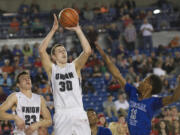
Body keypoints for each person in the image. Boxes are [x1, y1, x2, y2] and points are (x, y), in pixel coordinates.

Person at [95, 42, 180, 135]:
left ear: (150, 87)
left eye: (145, 81)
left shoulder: (154, 102)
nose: (142, 82)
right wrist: (104, 55)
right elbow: (117, 75)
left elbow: (174, 98)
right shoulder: (133, 91)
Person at [39, 14, 91, 135]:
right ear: (53, 56)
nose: (63, 52)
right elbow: (41, 50)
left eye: (64, 50)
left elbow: (87, 51)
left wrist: (78, 30)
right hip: (61, 113)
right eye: (59, 51)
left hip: (78, 111)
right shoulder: (52, 70)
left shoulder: (74, 66)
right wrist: (53, 30)